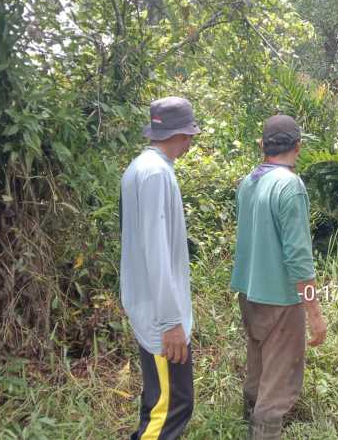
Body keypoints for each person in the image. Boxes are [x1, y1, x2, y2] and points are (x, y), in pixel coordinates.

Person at [231, 114, 327, 440]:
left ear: (263, 146)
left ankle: (248, 422)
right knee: (280, 380)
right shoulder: (290, 185)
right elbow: (298, 257)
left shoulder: (249, 181)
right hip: (280, 299)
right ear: (297, 147)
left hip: (248, 290)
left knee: (258, 367)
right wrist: (314, 313)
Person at [120, 96, 201, 440]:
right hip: (160, 317)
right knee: (170, 408)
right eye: (190, 135)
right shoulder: (155, 174)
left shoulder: (142, 167)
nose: (190, 142)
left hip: (151, 307)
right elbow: (155, 250)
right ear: (182, 135)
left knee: (161, 401)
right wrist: (171, 322)